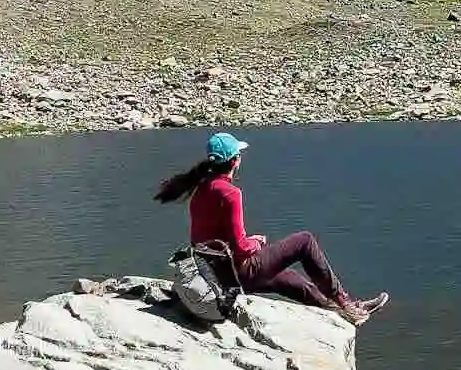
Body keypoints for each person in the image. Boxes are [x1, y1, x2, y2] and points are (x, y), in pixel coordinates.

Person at [155, 132, 389, 326]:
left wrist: (247, 243)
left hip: (214, 275)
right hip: (236, 274)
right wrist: (256, 242)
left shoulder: (201, 190)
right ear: (235, 160)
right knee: (304, 241)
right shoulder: (230, 193)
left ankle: (340, 312)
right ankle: (345, 302)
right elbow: (241, 248)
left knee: (287, 279)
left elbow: (206, 238)